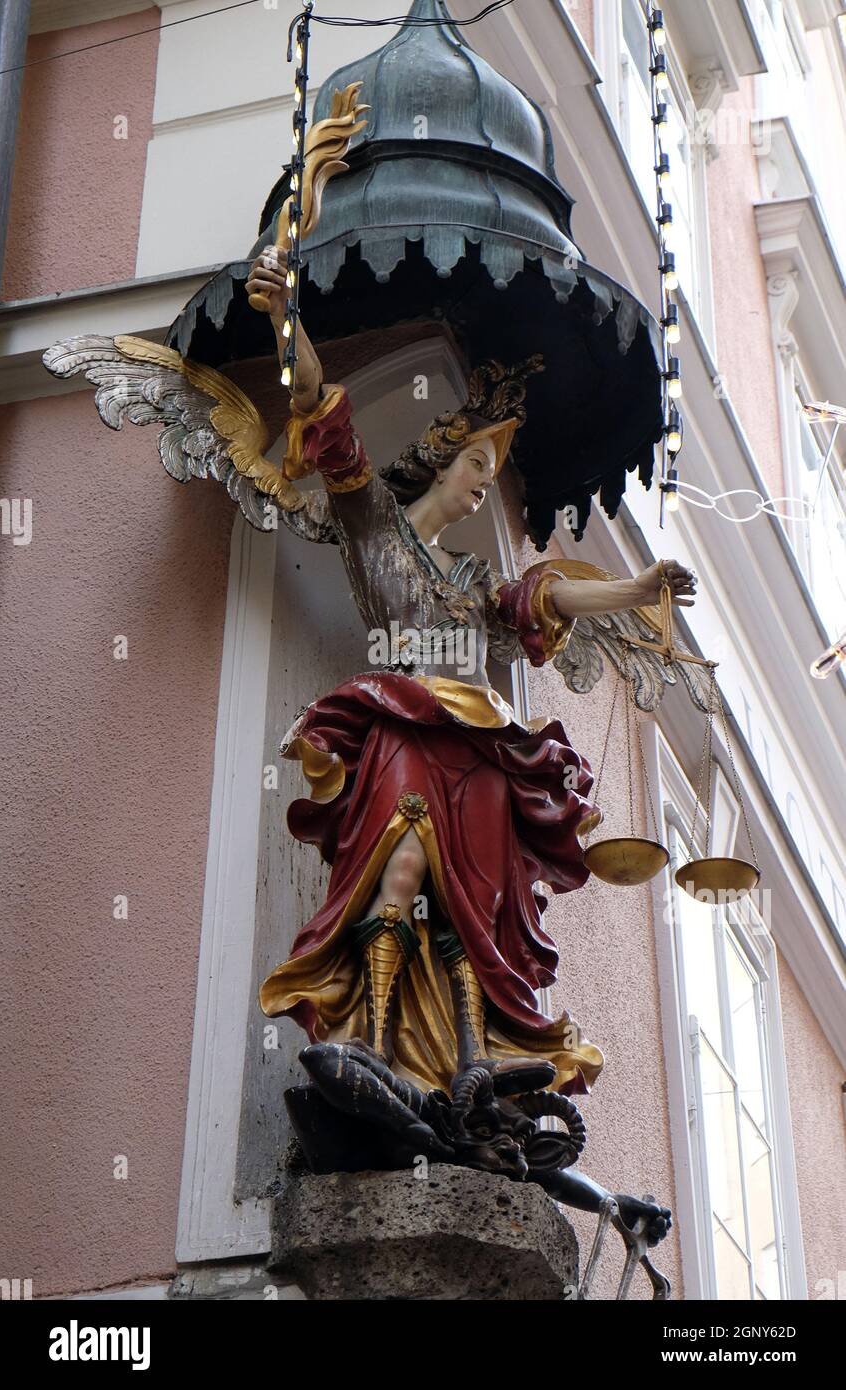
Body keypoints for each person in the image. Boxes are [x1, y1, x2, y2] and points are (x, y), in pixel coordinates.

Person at [248, 246, 697, 1098]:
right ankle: (372, 1047)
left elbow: (546, 601)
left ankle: (470, 1058)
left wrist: (637, 589)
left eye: (494, 476)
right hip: (404, 722)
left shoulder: (467, 581)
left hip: (480, 744)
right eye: (480, 468)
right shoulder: (374, 522)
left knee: (469, 901)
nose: (487, 488)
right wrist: (284, 318)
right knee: (402, 869)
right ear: (446, 460)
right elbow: (319, 408)